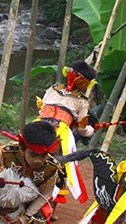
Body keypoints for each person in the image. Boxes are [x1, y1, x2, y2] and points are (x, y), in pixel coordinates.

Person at [36, 61, 98, 208]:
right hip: (60, 132)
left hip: (39, 123)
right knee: (63, 165)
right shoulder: (82, 102)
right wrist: (92, 130)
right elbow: (83, 130)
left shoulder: (53, 89)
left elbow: (42, 109)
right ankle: (51, 208)